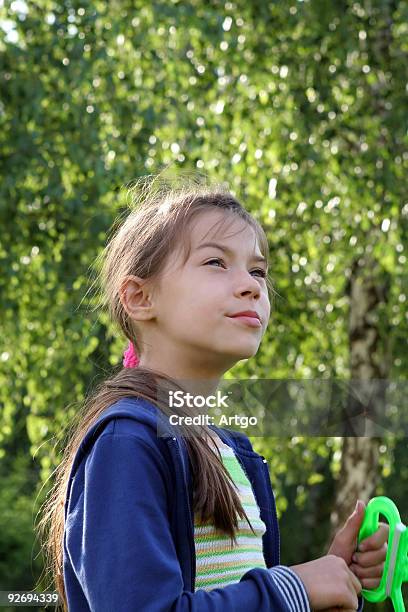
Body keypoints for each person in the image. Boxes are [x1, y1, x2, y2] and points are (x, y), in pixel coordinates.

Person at [40, 175, 387, 611]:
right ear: (140, 297)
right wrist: (294, 588)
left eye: (257, 270)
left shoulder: (231, 452)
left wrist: (332, 579)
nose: (252, 285)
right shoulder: (127, 442)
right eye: (216, 263)